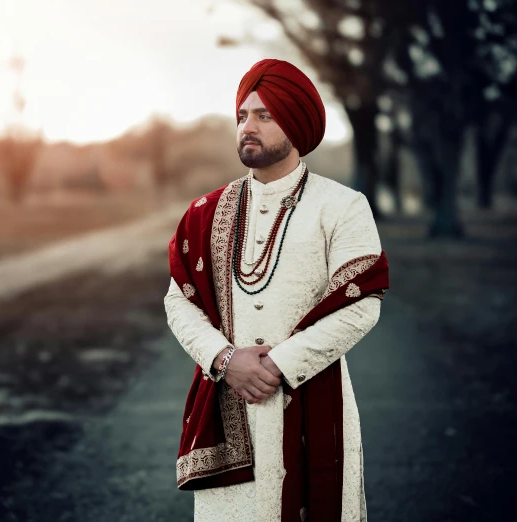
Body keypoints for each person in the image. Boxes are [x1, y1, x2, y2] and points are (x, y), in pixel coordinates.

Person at [163, 58, 390, 522]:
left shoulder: (342, 207)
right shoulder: (205, 212)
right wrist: (227, 362)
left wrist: (275, 367)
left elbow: (361, 304)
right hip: (229, 413)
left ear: (296, 123)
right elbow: (178, 300)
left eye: (264, 115)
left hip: (314, 397)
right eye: (243, 115)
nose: (249, 125)